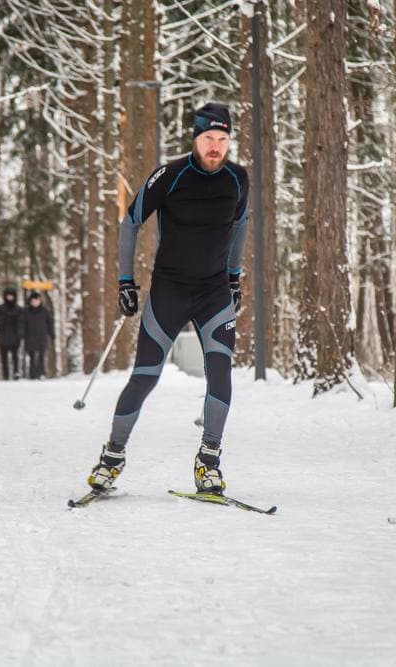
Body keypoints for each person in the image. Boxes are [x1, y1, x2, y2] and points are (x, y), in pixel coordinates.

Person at [84, 102, 249, 495]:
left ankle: (209, 461)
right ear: (195, 138)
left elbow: (241, 225)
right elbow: (131, 222)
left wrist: (234, 277)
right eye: (209, 138)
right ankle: (112, 457)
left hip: (214, 294)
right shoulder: (170, 175)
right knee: (144, 377)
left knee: (220, 375)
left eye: (223, 139)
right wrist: (126, 282)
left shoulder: (238, 179)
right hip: (170, 292)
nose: (216, 147)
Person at [20, 291, 54, 379]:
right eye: (33, 301)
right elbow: (22, 323)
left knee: (41, 356)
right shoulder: (25, 311)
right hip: (30, 337)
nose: (35, 302)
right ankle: (32, 374)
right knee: (31, 356)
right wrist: (21, 333)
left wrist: (51, 333)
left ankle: (41, 373)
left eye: (37, 300)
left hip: (41, 336)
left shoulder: (44, 311)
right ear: (30, 301)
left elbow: (50, 323)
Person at [0, 287, 22, 380]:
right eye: (8, 296)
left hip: (14, 336)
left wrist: (20, 333)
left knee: (15, 356)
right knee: (3, 357)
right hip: (3, 336)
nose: (10, 297)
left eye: (11, 296)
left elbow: (21, 322)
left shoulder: (18, 309)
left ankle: (16, 373)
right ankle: (5, 375)